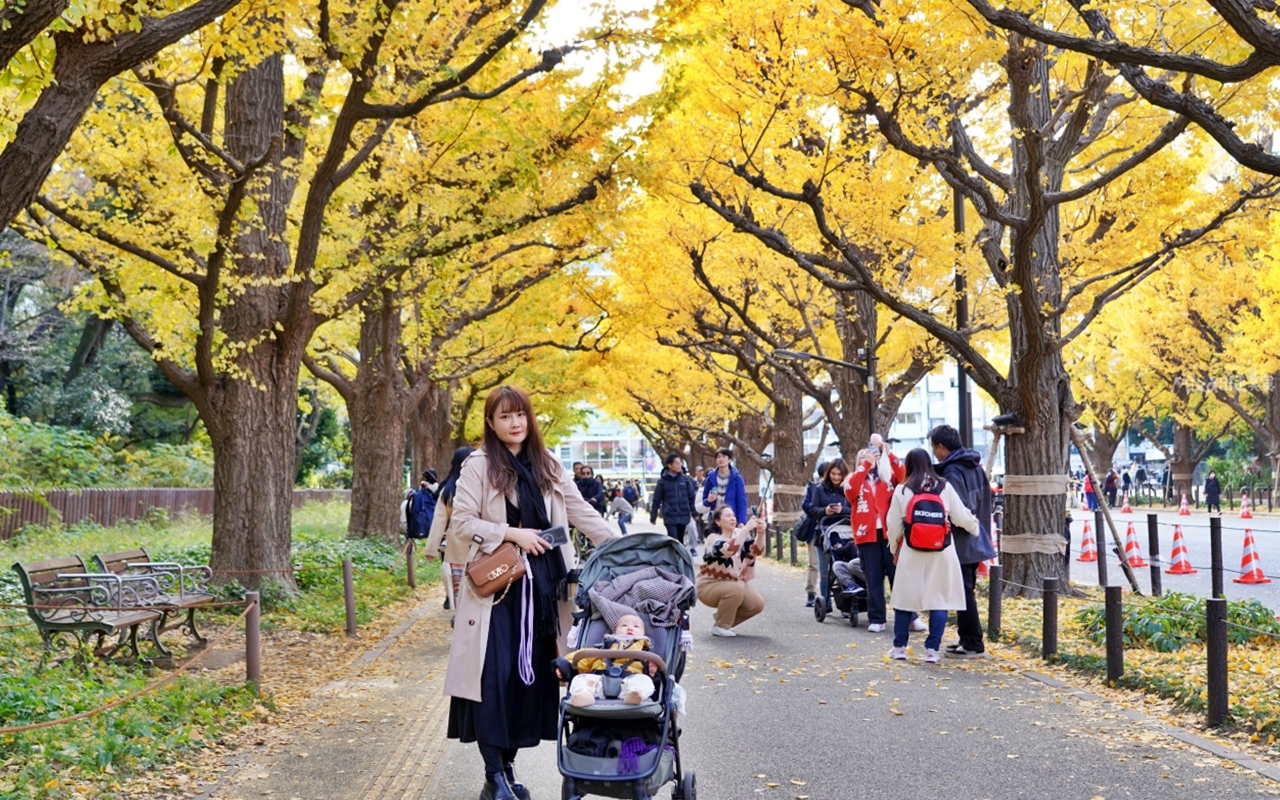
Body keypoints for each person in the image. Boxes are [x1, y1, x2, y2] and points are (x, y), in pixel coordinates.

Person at [445, 386, 617, 800]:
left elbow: (581, 513)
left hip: (541, 593)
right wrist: (510, 532)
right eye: (504, 417)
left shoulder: (549, 464)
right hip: (497, 593)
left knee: (528, 682)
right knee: (493, 679)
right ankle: (495, 775)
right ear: (491, 422)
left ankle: (504, 772)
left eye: (520, 415)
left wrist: (621, 546)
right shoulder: (478, 465)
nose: (514, 423)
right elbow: (462, 522)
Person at [885, 448, 980, 663]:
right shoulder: (943, 486)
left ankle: (899, 647)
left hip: (911, 550)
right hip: (942, 551)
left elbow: (893, 525)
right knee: (939, 600)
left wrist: (893, 548)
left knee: (905, 600)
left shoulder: (902, 489)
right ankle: (932, 650)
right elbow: (960, 515)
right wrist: (975, 528)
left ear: (908, 465)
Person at [928, 425, 996, 659]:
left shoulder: (952, 472)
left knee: (963, 591)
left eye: (934, 448)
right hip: (976, 536)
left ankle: (973, 643)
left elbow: (957, 510)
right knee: (965, 589)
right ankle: (967, 638)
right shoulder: (974, 466)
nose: (934, 453)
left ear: (941, 447)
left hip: (961, 540)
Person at [843, 434, 918, 634]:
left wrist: (888, 452)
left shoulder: (888, 476)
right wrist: (864, 465)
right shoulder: (853, 479)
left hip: (890, 534)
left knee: (898, 577)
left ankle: (911, 617)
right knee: (874, 579)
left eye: (872, 454)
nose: (870, 457)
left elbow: (904, 475)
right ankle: (877, 618)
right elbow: (850, 492)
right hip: (866, 535)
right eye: (863, 456)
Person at [697, 505, 766, 637]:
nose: (732, 518)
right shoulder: (713, 538)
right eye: (728, 516)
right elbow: (728, 550)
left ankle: (723, 619)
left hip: (734, 584)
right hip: (708, 586)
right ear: (718, 521)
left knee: (757, 604)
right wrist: (745, 529)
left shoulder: (738, 534)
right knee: (735, 589)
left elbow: (756, 551)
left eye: (733, 515)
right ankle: (721, 626)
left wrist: (761, 533)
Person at [560, 613, 656, 707]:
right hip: (599, 683)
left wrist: (651, 668)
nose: (630, 628)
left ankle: (636, 695)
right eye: (624, 625)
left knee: (645, 680)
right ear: (613, 633)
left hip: (628, 684)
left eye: (636, 626)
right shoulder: (601, 650)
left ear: (644, 635)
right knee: (579, 679)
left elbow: (653, 672)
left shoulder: (644, 655)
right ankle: (584, 695)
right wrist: (564, 665)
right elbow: (582, 657)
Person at [425, 446, 477, 609]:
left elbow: (439, 521)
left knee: (459, 589)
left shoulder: (448, 490)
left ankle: (461, 618)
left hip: (457, 546)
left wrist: (431, 549)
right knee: (482, 584)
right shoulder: (480, 486)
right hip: (481, 544)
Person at [801, 459, 852, 613]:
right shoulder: (820, 489)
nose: (836, 478)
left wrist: (841, 510)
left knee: (844, 568)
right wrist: (825, 511)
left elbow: (854, 509)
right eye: (833, 474)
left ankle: (846, 603)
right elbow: (812, 509)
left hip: (845, 534)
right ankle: (825, 602)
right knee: (824, 572)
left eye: (839, 474)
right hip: (823, 532)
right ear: (828, 474)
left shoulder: (848, 489)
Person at [649, 453, 698, 542]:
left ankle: (680, 556)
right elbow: (656, 500)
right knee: (673, 540)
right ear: (669, 465)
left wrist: (694, 513)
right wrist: (653, 516)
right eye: (677, 463)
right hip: (670, 516)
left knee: (680, 540)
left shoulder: (685, 480)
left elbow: (691, 497)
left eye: (680, 463)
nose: (679, 466)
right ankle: (674, 555)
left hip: (683, 515)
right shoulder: (662, 482)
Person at [701, 448, 749, 527]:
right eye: (719, 457)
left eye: (724, 457)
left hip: (731, 519)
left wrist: (741, 521)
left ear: (729, 459)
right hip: (715, 519)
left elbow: (742, 502)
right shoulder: (710, 478)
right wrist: (709, 500)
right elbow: (705, 500)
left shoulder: (737, 479)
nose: (721, 459)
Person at [801, 463, 827, 607]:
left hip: (835, 530)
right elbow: (805, 506)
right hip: (815, 531)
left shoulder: (838, 489)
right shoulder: (813, 488)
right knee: (814, 564)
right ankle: (811, 593)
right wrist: (820, 509)